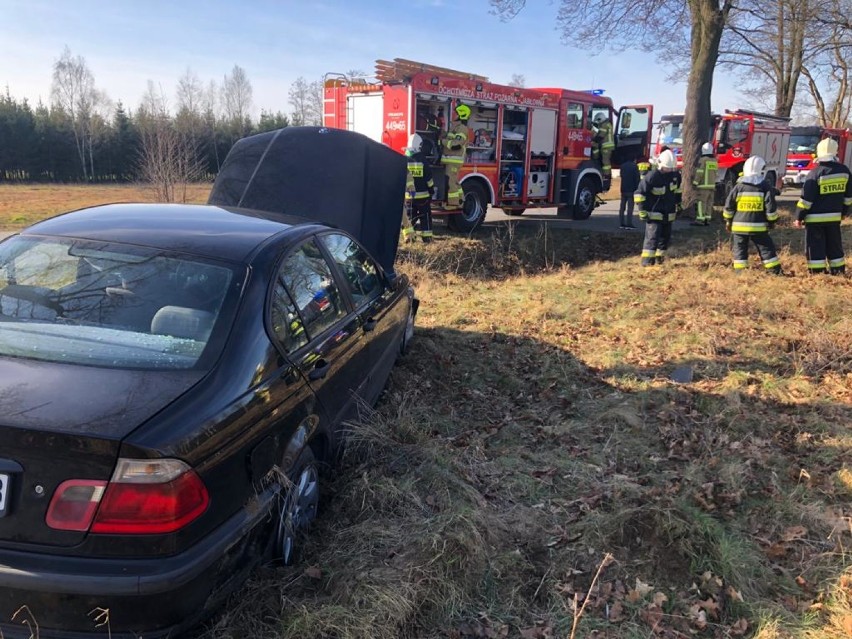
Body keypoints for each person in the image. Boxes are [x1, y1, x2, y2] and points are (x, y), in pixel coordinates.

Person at [794, 137, 852, 275]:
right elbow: (848, 197)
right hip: (834, 218)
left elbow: (806, 200)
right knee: (834, 245)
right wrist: (844, 212)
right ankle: (838, 271)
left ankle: (818, 272)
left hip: (814, 220)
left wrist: (799, 216)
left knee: (815, 246)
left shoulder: (815, 173)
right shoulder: (844, 171)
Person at [722, 156, 781, 274]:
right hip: (758, 227)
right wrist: (771, 222)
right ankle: (774, 271)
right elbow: (770, 208)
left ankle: (740, 273)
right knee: (766, 248)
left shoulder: (738, 187)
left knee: (739, 250)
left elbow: (729, 206)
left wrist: (728, 221)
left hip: (738, 227)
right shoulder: (765, 186)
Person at [634, 149, 681, 266]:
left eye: (671, 168)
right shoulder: (652, 176)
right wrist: (642, 210)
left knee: (665, 239)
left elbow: (677, 191)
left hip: (668, 214)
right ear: (660, 165)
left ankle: (660, 260)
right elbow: (640, 193)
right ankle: (647, 263)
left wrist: (679, 204)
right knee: (652, 239)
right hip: (654, 214)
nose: (669, 170)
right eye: (667, 168)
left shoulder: (675, 176)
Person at [402, 133, 435, 243]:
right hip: (423, 197)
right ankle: (427, 238)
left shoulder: (404, 159)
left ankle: (409, 238)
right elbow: (428, 178)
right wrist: (431, 190)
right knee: (425, 217)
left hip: (409, 197)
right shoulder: (423, 160)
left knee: (409, 217)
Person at [441, 103, 471, 208]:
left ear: (461, 115)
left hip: (454, 161)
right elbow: (449, 138)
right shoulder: (455, 127)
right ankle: (461, 200)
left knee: (451, 182)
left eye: (456, 113)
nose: (453, 114)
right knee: (454, 181)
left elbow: (456, 145)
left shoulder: (462, 128)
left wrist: (443, 142)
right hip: (449, 160)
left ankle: (453, 204)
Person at [692, 142, 718, 226]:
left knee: (701, 203)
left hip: (703, 186)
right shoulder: (714, 161)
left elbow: (700, 172)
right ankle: (707, 219)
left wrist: (695, 183)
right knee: (709, 203)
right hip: (712, 186)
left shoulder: (703, 160)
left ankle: (700, 220)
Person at [618, 153, 640, 229]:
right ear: (634, 159)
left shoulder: (623, 166)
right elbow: (637, 179)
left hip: (623, 189)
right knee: (630, 208)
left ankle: (621, 223)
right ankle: (629, 223)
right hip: (631, 190)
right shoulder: (634, 166)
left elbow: (621, 175)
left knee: (622, 207)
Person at [592, 112, 614, 179]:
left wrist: (593, 140)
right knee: (605, 161)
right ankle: (606, 174)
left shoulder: (604, 125)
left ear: (600, 119)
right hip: (608, 146)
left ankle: (607, 175)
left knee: (605, 162)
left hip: (606, 147)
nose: (598, 123)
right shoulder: (607, 124)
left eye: (598, 121)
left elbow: (600, 136)